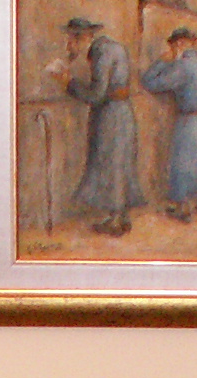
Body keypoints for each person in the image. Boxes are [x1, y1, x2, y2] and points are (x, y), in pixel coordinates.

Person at [64, 17, 142, 236]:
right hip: (119, 112)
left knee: (111, 164)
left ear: (82, 38)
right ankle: (119, 216)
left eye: (71, 40)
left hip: (111, 115)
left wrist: (69, 83)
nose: (69, 46)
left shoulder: (101, 52)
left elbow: (97, 94)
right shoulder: (109, 47)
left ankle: (116, 221)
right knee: (118, 163)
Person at [142, 29, 197, 222]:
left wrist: (162, 62)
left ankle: (183, 207)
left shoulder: (181, 66)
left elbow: (150, 83)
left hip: (190, 120)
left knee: (184, 163)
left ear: (178, 45)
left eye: (173, 46)